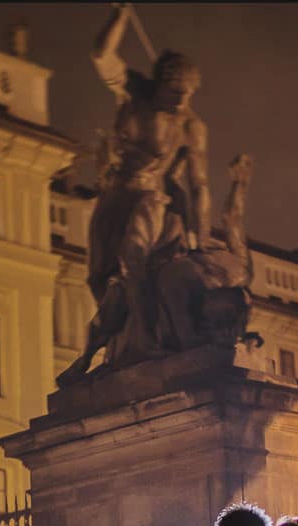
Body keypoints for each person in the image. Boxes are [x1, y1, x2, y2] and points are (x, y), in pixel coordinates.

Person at [57, 3, 212, 382]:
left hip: (150, 198)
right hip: (113, 196)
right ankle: (122, 341)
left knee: (132, 262)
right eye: (176, 91)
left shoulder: (190, 125)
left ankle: (147, 340)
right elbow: (100, 54)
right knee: (98, 279)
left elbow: (200, 185)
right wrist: (121, 13)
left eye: (188, 93)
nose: (182, 100)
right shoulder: (135, 93)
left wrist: (201, 240)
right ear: (159, 82)